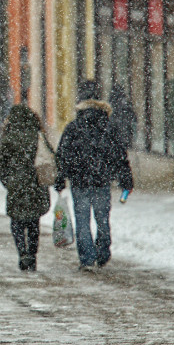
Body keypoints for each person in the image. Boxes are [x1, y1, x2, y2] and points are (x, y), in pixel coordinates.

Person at [54, 80, 134, 271]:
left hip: (79, 181)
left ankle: (87, 259)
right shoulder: (109, 126)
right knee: (102, 219)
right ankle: (103, 251)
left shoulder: (73, 127)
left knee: (82, 221)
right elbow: (120, 154)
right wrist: (125, 178)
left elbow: (62, 155)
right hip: (101, 180)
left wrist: (61, 178)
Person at [0, 104, 51, 271]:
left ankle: (22, 253)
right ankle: (32, 256)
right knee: (34, 222)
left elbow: (1, 164)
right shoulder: (39, 136)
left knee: (17, 222)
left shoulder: (9, 138)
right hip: (35, 183)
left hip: (16, 185)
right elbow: (49, 157)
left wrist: (8, 181)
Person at [109, 84, 137, 151]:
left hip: (117, 133)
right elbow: (133, 116)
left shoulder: (112, 102)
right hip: (124, 132)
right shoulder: (124, 102)